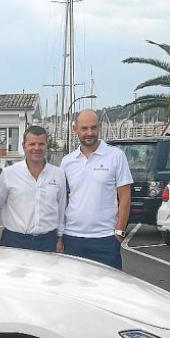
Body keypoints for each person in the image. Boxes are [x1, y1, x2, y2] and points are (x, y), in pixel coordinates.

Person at [60, 109, 133, 270]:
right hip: (72, 238)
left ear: (99, 127)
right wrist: (60, 235)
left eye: (93, 127)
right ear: (75, 129)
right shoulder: (67, 162)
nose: (89, 132)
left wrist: (119, 232)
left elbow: (125, 197)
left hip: (105, 239)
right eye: (84, 128)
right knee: (74, 284)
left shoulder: (116, 156)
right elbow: (62, 200)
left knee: (108, 285)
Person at [0, 125, 66, 252]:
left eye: (41, 144)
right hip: (14, 241)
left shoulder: (58, 174)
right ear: (24, 146)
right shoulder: (9, 174)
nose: (37, 148)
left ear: (46, 146)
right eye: (32, 144)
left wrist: (60, 237)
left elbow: (61, 208)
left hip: (47, 241)